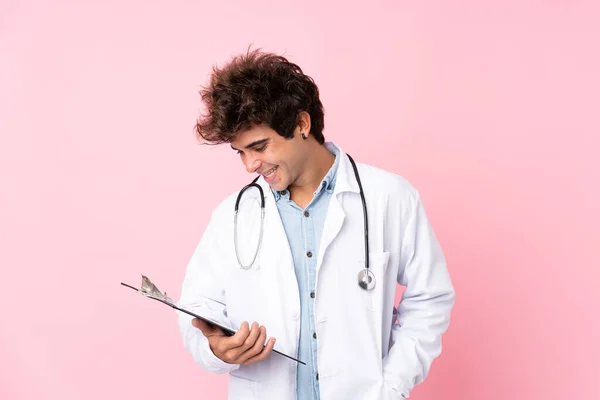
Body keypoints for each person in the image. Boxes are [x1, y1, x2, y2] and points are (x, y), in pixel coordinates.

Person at [177, 48, 455, 400]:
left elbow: (430, 298)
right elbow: (198, 307)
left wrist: (391, 385)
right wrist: (216, 350)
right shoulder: (233, 215)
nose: (250, 165)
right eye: (241, 152)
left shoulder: (389, 197)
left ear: (301, 124)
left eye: (259, 146)